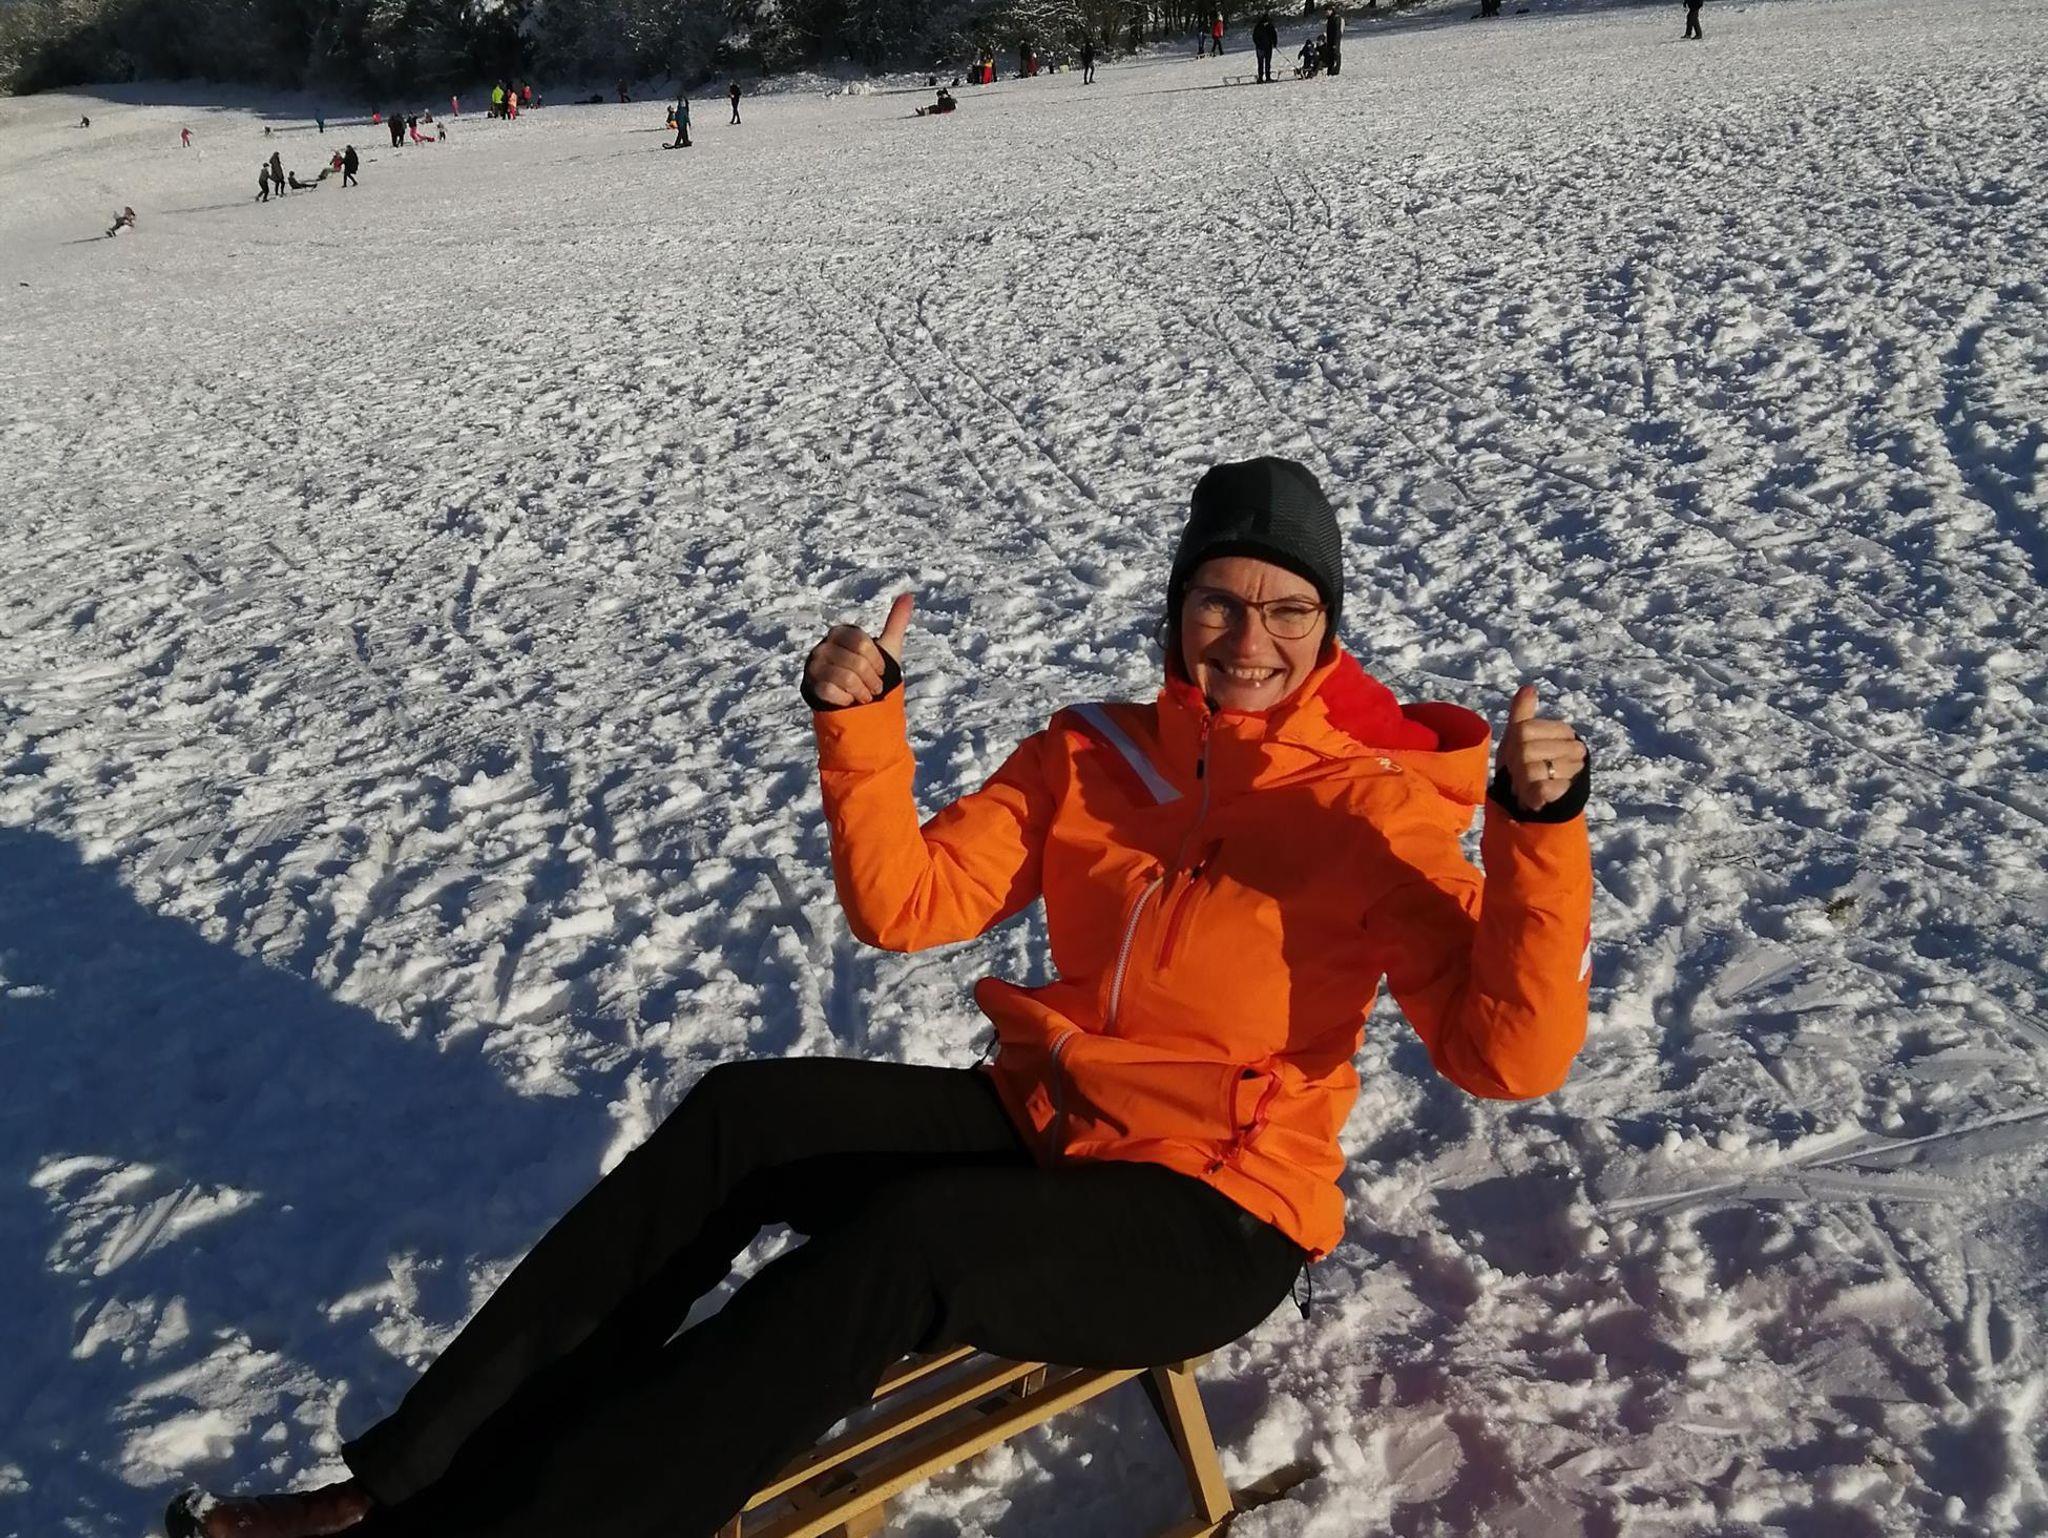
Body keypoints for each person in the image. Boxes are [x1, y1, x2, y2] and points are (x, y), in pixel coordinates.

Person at [161, 456, 1592, 1538]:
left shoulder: (1375, 808)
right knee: (746, 1118)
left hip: (1213, 1208)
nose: (1248, 634)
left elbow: (1506, 1055)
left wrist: (1539, 837)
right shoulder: (1094, 754)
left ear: (1329, 629)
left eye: (1287, 607)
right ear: (1175, 607)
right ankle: (407, 1479)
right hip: (1052, 1122)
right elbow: (910, 902)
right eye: (1219, 596)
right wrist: (859, 726)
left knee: (903, 1243)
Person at [1253, 12, 1278, 80]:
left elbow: (1274, 35)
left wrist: (1274, 43)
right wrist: (1274, 43)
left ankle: (1264, 77)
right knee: (1265, 63)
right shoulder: (1264, 26)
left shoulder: (1260, 26)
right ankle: (1264, 77)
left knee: (1263, 63)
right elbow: (1255, 37)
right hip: (1263, 47)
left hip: (1264, 47)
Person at [1323, 3, 1343, 74]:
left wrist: (1335, 43)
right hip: (1330, 40)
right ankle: (1330, 70)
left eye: (1327, 11)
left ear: (1331, 10)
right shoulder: (1330, 19)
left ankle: (1335, 70)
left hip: (1335, 40)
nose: (1326, 13)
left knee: (1335, 54)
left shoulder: (1336, 18)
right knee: (1330, 55)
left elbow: (1337, 32)